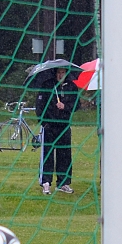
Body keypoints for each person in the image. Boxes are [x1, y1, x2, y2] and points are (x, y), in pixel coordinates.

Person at [35, 66, 79, 195]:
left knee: (65, 155)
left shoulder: (71, 87)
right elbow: (39, 107)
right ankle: (46, 183)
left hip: (64, 126)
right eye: (59, 72)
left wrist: (65, 106)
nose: (61, 75)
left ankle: (63, 183)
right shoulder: (47, 86)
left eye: (63, 72)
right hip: (49, 126)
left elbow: (76, 105)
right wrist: (44, 122)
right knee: (47, 155)